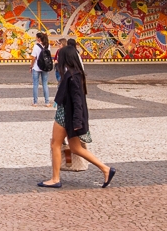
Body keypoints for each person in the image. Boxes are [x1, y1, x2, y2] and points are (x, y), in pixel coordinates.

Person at [38, 38, 116, 189]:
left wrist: (77, 122)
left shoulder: (72, 76)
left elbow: (78, 101)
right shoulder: (76, 74)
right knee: (76, 148)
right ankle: (106, 169)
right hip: (69, 115)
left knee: (55, 144)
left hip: (66, 115)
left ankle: (55, 179)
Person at [29, 32, 51, 107]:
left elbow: (33, 58)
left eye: (36, 37)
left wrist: (31, 66)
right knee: (45, 84)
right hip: (45, 67)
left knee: (35, 84)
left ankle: (35, 102)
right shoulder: (48, 46)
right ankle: (47, 102)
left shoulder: (36, 46)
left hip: (36, 67)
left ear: (38, 38)